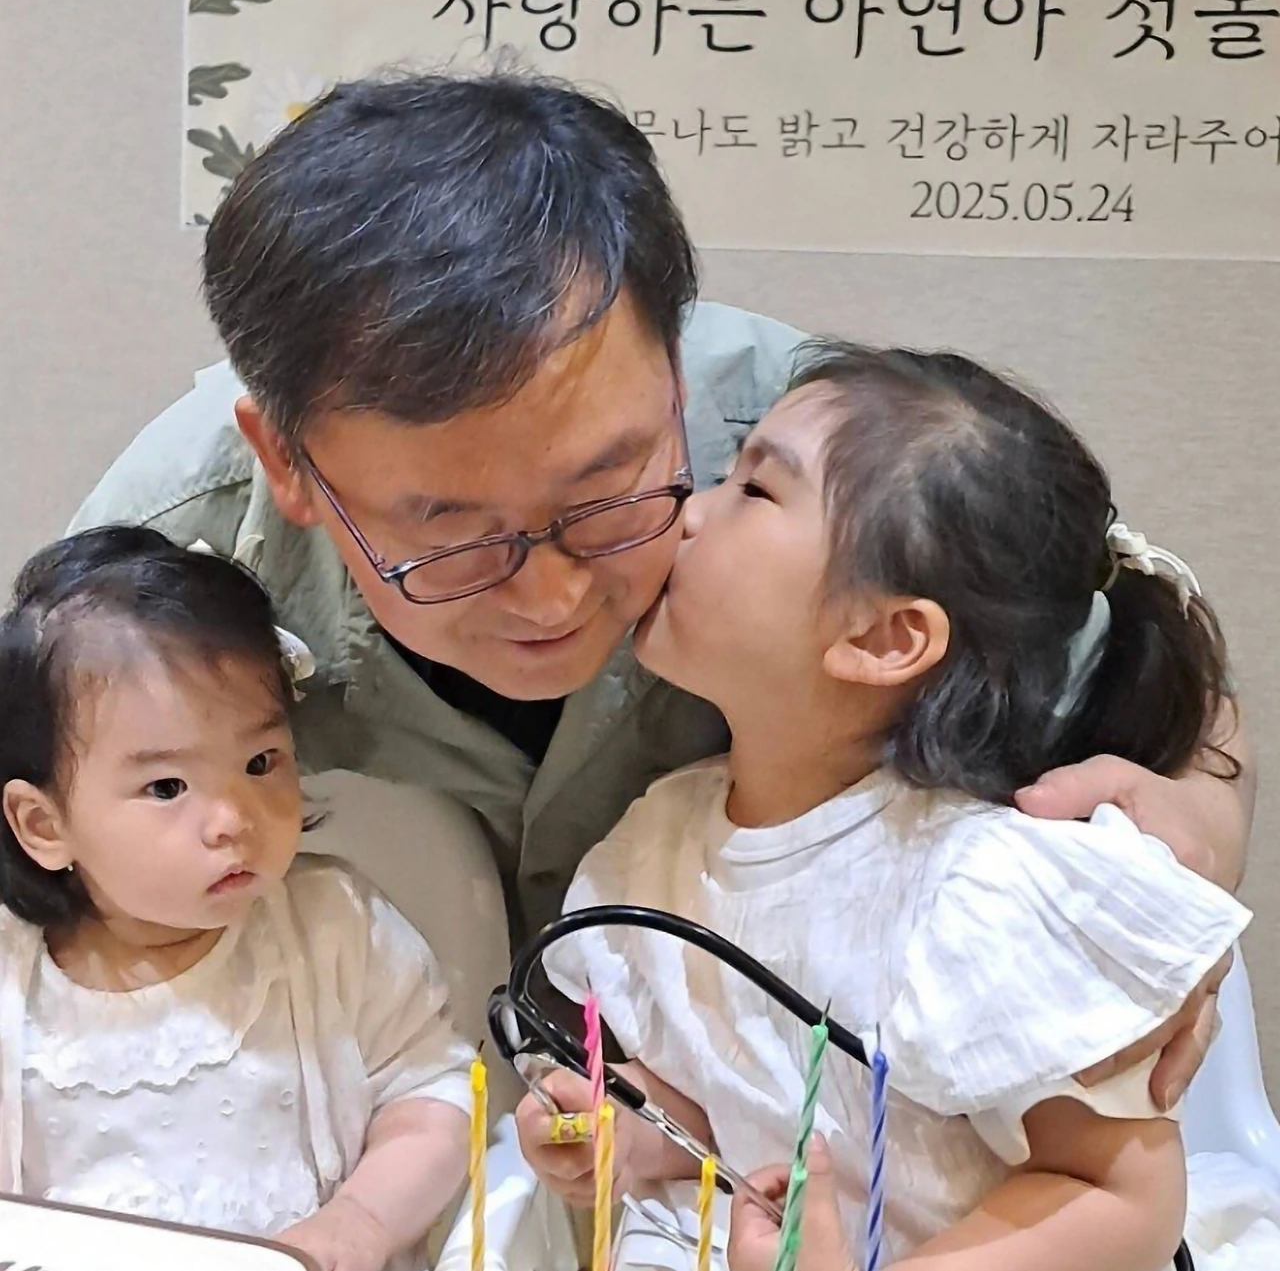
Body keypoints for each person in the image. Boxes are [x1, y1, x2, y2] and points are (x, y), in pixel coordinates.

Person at [73, 69, 1252, 1104]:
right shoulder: (163, 560)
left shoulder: (820, 464)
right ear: (286, 461)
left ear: (674, 365)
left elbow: (1135, 635)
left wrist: (1197, 819)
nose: (548, 600)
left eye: (605, 493)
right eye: (448, 535)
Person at [518, 342, 1273, 1271]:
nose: (687, 512)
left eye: (753, 490)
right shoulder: (661, 842)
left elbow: (1120, 1197)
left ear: (884, 637)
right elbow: (738, 1101)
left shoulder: (974, 890)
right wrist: (629, 1129)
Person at [0, 526, 474, 1271]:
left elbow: (436, 1093)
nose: (233, 819)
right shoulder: (12, 984)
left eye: (260, 761)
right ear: (44, 824)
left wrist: (360, 1221)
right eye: (167, 786)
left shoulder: (332, 927)